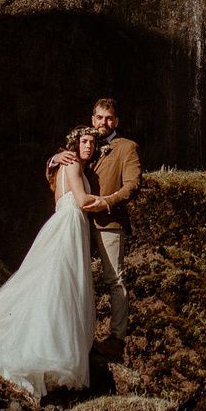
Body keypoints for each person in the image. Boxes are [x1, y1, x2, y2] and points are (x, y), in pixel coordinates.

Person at [0, 126, 99, 398]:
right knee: (60, 283)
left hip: (64, 222)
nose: (89, 147)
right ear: (74, 143)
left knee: (52, 283)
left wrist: (52, 160)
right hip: (70, 223)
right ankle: (46, 350)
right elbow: (81, 200)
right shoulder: (71, 163)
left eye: (92, 143)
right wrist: (110, 201)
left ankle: (48, 346)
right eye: (85, 141)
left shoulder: (64, 164)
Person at [47, 98, 139, 351]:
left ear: (116, 121)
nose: (103, 122)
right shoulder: (85, 145)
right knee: (75, 277)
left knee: (115, 280)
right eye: (99, 118)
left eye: (109, 118)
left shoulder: (127, 147)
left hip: (109, 221)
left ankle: (116, 339)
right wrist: (54, 158)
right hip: (80, 222)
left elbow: (133, 185)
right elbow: (63, 174)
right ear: (92, 119)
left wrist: (106, 202)